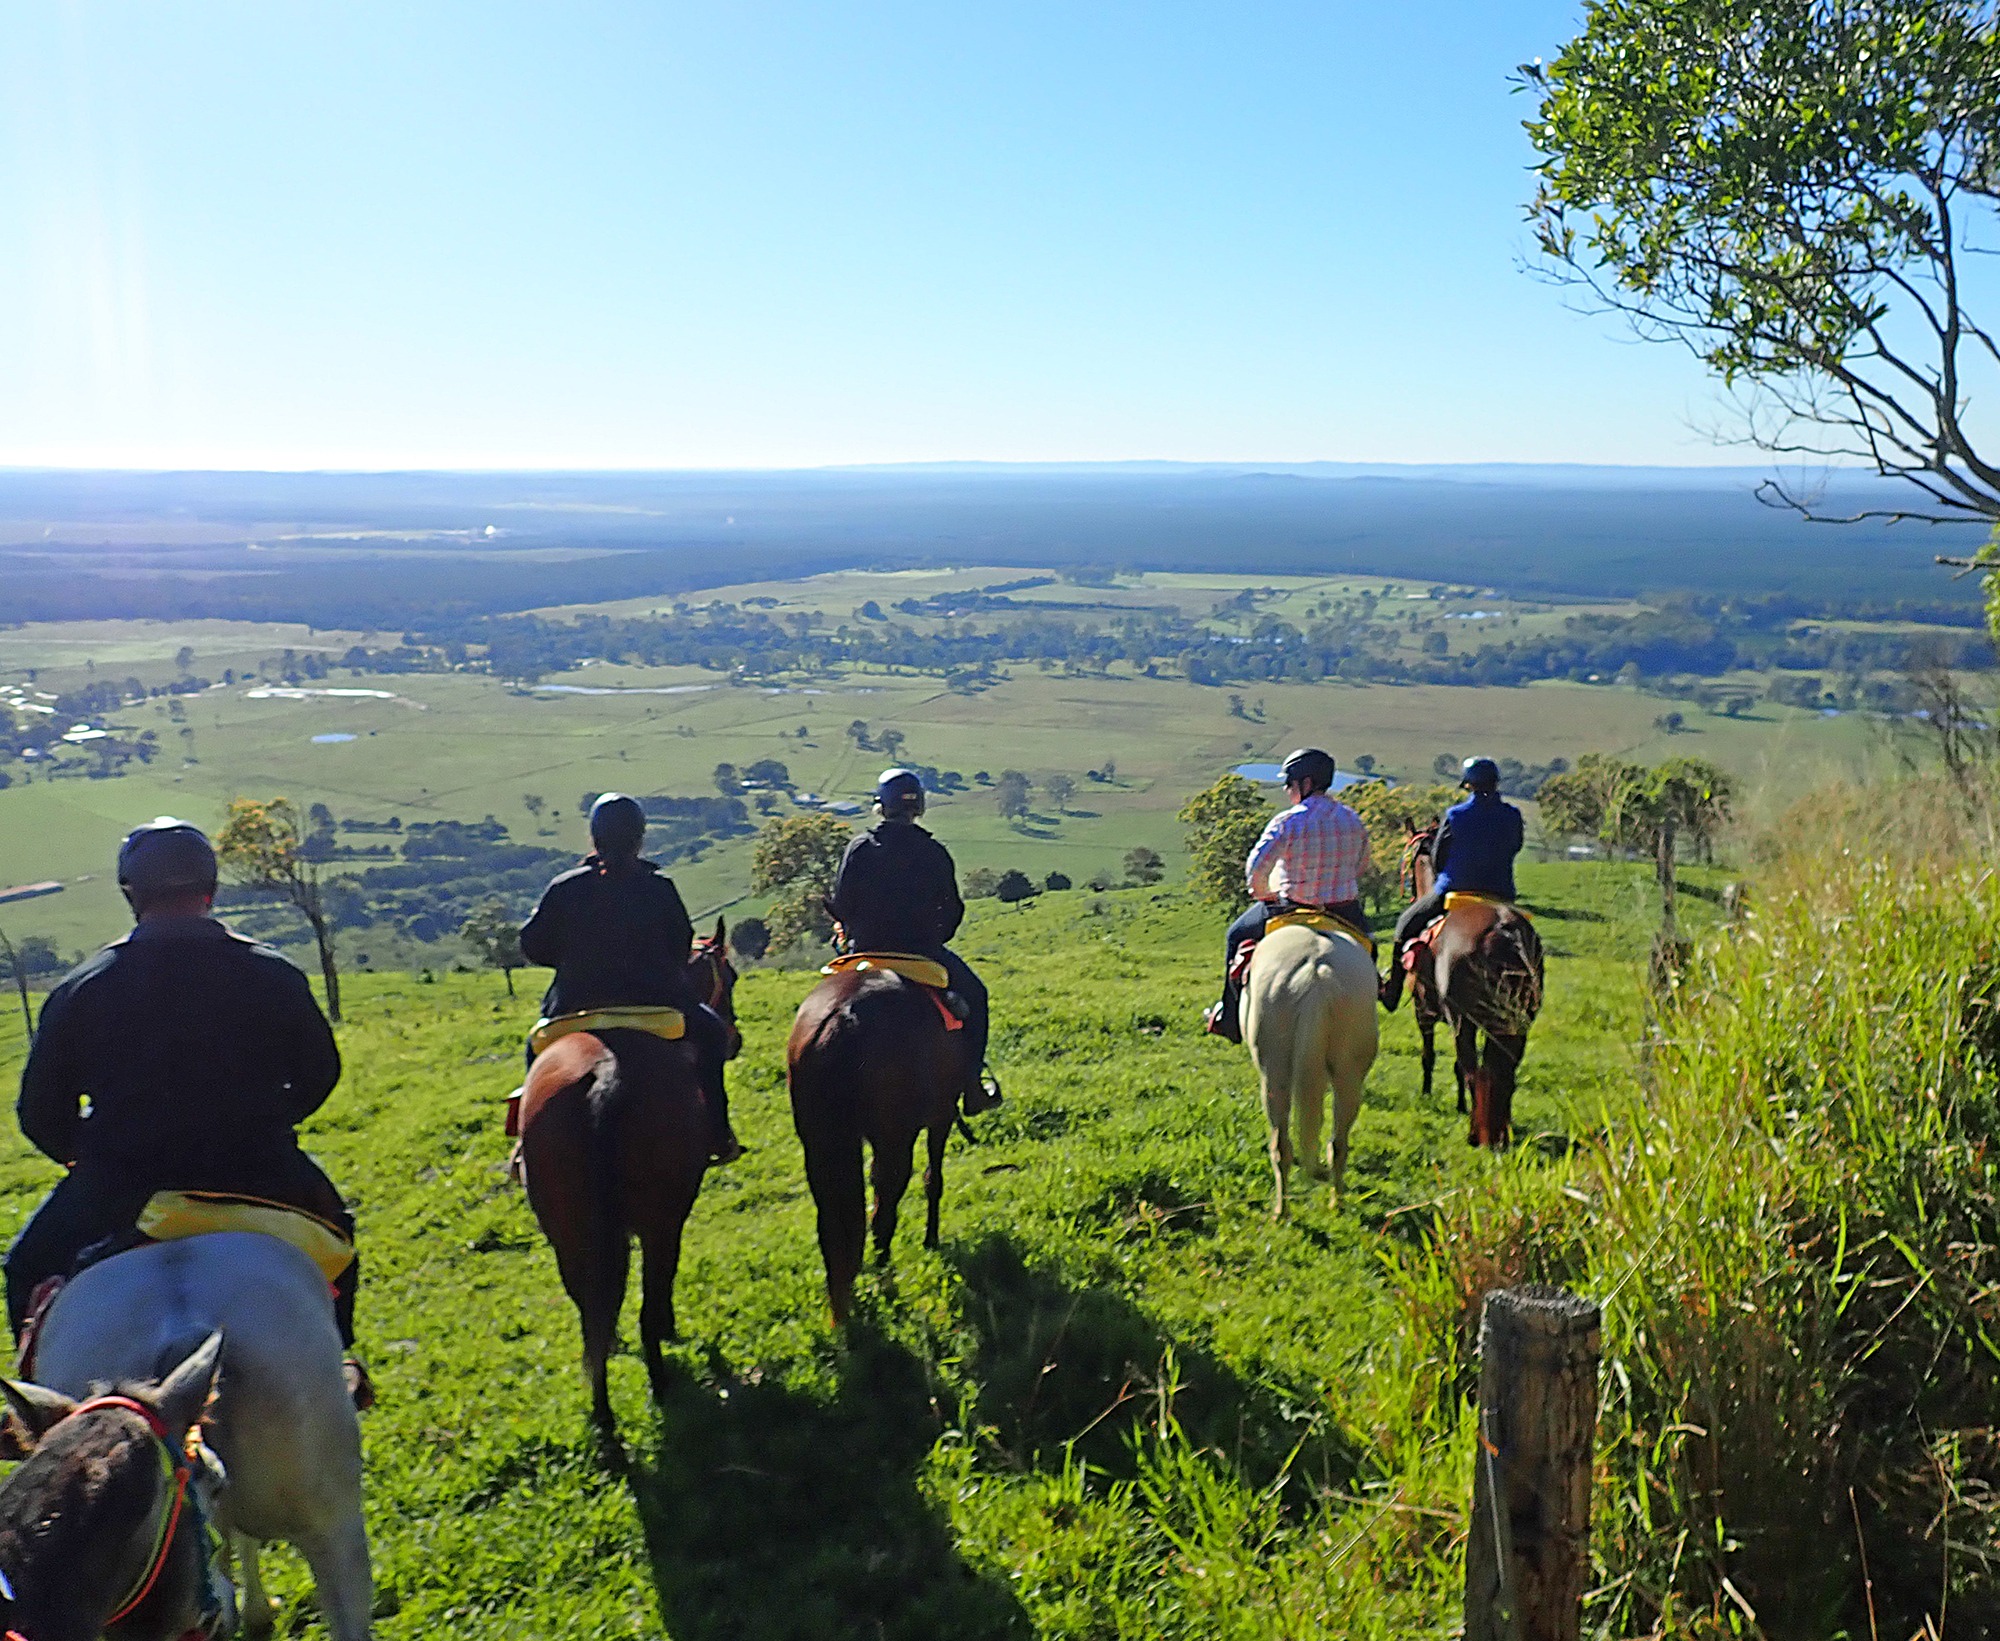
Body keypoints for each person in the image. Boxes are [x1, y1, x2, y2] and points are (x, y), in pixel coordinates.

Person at [9, 818, 371, 1404]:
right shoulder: (270, 972)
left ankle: (37, 1415)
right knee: (339, 1238)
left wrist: (85, 1158)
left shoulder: (84, 986)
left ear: (131, 893)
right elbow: (319, 1074)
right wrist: (270, 1124)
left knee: (26, 1266)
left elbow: (39, 1113)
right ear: (211, 888)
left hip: (120, 1186)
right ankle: (339, 1367)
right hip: (260, 1170)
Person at [518, 792, 742, 1163]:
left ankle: (526, 1147)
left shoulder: (565, 888)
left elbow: (532, 946)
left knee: (534, 1051)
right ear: (640, 837)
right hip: (658, 1008)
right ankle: (718, 1133)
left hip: (574, 1008)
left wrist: (570, 961)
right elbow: (679, 948)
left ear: (594, 836)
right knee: (715, 1034)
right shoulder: (659, 888)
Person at [827, 768, 1000, 1114]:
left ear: (881, 806)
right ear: (918, 807)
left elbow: (842, 905)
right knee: (977, 996)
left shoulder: (859, 848)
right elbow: (952, 910)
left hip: (864, 953)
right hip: (922, 955)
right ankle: (972, 1085)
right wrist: (934, 939)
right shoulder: (933, 852)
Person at [1204, 748, 1371, 1043]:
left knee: (1235, 934)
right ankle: (1375, 993)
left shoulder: (1288, 821)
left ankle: (1228, 1021)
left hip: (1288, 907)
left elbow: (1256, 868)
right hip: (1343, 911)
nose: (1286, 789)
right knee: (1370, 948)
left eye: (1290, 783)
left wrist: (1264, 894)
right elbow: (1361, 864)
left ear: (1306, 783)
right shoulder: (1352, 819)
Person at [1380, 756, 1526, 1011]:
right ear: (1495, 783)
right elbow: (1515, 847)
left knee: (1405, 924)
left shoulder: (1456, 815)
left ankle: (1392, 992)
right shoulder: (1512, 815)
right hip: (1501, 894)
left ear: (1468, 785)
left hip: (1455, 889)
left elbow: (1438, 855)